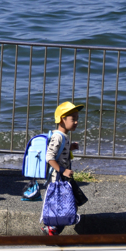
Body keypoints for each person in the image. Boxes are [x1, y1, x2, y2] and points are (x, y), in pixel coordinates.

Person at [41, 100, 84, 236]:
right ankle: (51, 228)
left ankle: (52, 228)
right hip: (57, 178)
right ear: (62, 120)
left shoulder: (64, 137)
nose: (76, 122)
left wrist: (70, 147)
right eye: (73, 119)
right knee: (59, 204)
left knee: (68, 202)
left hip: (63, 177)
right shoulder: (57, 137)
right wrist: (63, 170)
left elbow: (60, 153)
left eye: (77, 119)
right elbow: (50, 157)